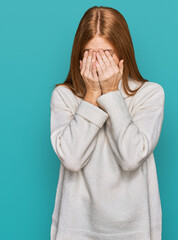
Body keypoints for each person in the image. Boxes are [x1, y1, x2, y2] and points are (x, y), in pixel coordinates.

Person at [50, 5, 165, 240]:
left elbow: (131, 157)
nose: (98, 63)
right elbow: (72, 158)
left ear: (123, 54)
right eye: (91, 53)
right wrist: (91, 95)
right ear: (79, 56)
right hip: (76, 227)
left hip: (134, 230)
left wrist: (111, 95)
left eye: (107, 54)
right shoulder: (64, 96)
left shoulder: (149, 94)